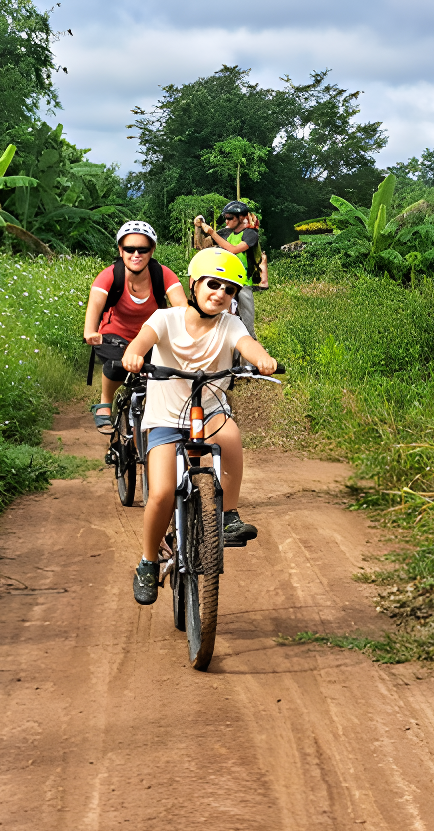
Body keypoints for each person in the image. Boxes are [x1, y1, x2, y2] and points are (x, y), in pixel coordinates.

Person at [121, 247, 277, 605]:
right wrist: (134, 354)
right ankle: (147, 562)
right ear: (194, 284)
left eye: (229, 290)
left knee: (231, 435)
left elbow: (247, 344)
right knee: (160, 493)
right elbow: (142, 341)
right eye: (213, 284)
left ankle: (228, 514)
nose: (220, 293)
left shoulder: (230, 323)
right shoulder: (165, 319)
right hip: (165, 418)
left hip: (209, 411)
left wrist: (262, 359)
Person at [83, 221, 185, 432]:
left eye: (143, 249)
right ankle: (105, 402)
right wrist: (91, 332)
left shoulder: (163, 274)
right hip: (115, 336)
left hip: (151, 337)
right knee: (116, 366)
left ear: (152, 250)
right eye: (129, 249)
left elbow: (182, 309)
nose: (136, 254)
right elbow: (95, 306)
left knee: (165, 373)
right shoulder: (110, 275)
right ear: (121, 250)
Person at [196, 200, 260, 335]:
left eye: (230, 218)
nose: (227, 221)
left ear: (242, 218)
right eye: (225, 218)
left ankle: (250, 348)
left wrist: (213, 233)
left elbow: (234, 249)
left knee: (247, 324)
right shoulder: (226, 233)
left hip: (242, 282)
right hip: (224, 280)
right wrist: (199, 226)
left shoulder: (250, 234)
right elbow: (201, 245)